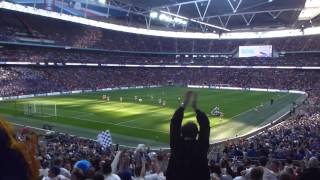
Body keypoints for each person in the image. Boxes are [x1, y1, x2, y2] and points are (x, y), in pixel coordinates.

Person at [166, 91, 210, 180]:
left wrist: (183, 105)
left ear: (181, 132)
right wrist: (196, 108)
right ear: (197, 133)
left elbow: (174, 124)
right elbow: (205, 126)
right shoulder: (201, 147)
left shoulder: (176, 146)